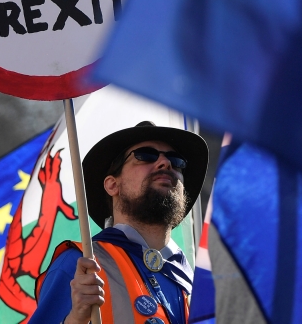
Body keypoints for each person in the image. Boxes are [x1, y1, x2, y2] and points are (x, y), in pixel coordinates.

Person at [30, 121, 208, 324]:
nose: (166, 163)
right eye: (145, 155)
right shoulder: (81, 264)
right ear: (112, 185)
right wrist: (75, 321)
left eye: (177, 161)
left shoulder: (201, 283)